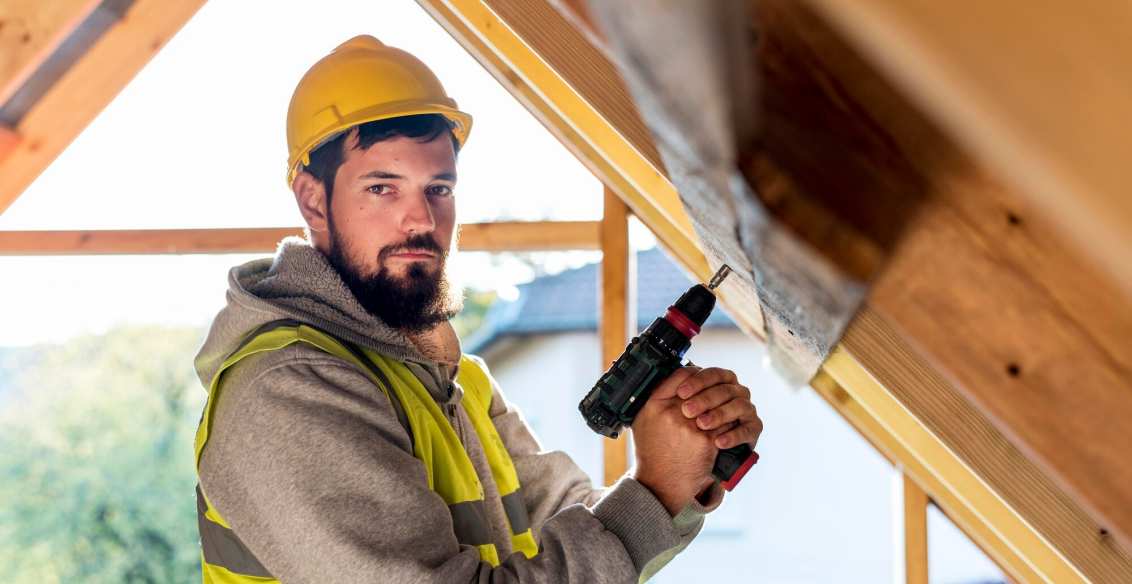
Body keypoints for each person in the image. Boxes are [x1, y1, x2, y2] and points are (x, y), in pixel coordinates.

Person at [192, 36, 763, 584]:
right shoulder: (289, 389)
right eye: (383, 188)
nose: (420, 219)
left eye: (438, 188)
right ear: (313, 200)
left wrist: (685, 469)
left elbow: (583, 530)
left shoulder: (456, 378)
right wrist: (655, 491)